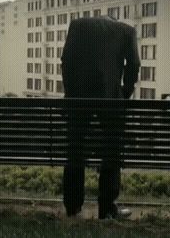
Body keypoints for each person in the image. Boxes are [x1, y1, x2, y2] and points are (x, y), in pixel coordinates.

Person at [60, 16, 140, 219]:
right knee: (111, 151)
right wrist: (124, 93)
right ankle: (107, 207)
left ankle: (73, 206)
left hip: (79, 99)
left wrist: (71, 92)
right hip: (110, 100)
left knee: (75, 149)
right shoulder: (126, 31)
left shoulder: (77, 26)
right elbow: (134, 65)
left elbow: (66, 60)